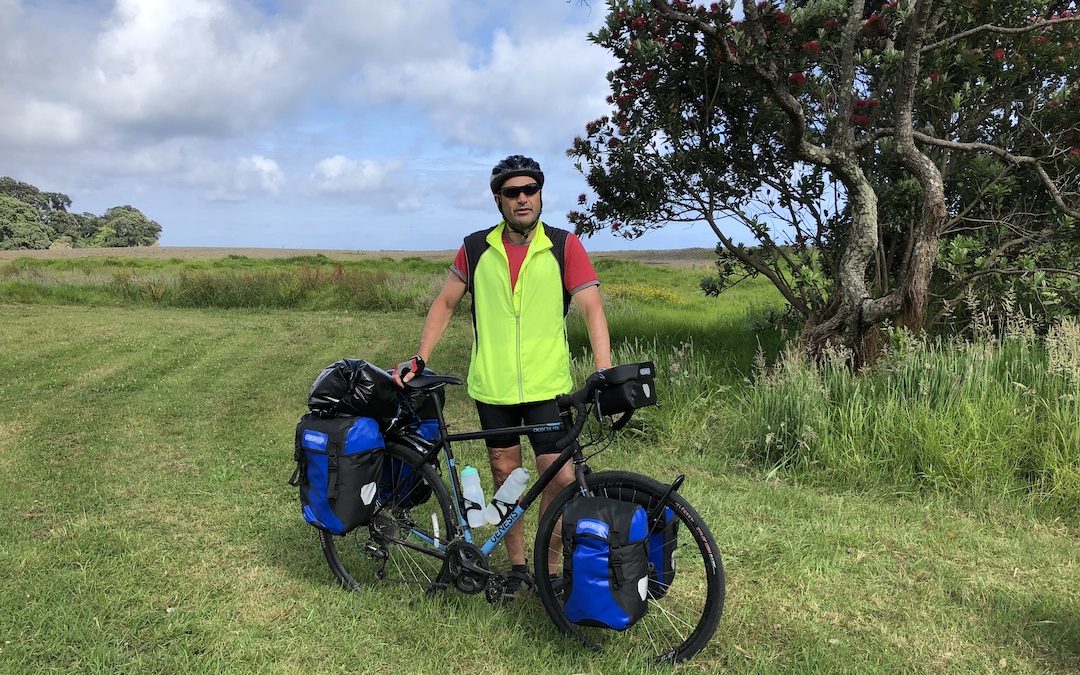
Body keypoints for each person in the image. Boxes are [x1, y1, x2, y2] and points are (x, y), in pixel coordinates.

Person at [394, 154, 611, 602]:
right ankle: (517, 569)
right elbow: (445, 304)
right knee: (506, 474)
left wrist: (604, 370)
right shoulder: (475, 248)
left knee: (559, 479)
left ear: (540, 194)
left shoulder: (563, 245)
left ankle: (549, 569)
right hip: (493, 386)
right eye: (512, 192)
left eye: (530, 190)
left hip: (547, 385)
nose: (522, 198)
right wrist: (420, 357)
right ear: (499, 199)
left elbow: (591, 307)